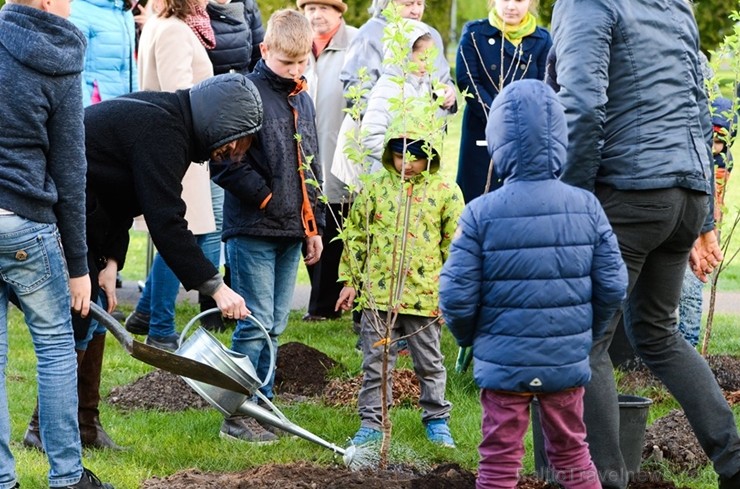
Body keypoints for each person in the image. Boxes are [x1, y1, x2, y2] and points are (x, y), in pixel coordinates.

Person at [551, 1, 740, 487]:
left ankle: (604, 480)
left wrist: (569, 199)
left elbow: (583, 104)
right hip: (682, 195)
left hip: (630, 194)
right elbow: (699, 112)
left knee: (586, 341)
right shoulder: (674, 3)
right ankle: (735, 461)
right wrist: (702, 217)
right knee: (657, 333)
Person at [439, 79, 627, 489]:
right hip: (564, 358)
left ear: (498, 141)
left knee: (499, 459)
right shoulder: (586, 207)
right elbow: (613, 286)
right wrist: (584, 336)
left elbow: (455, 295)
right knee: (573, 452)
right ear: (561, 138)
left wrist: (473, 337)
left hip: (503, 361)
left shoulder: (480, 213)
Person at [0, 0, 114, 487]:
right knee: (55, 349)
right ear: (47, 2)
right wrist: (80, 266)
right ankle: (67, 478)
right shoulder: (62, 52)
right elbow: (71, 170)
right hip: (27, 223)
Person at [209, 9, 325, 444]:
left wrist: (312, 224)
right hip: (254, 229)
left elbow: (310, 165)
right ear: (265, 50)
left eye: (302, 63)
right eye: (286, 63)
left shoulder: (303, 100)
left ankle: (265, 407)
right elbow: (224, 163)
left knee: (275, 323)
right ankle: (235, 415)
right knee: (253, 323)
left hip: (292, 232)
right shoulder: (246, 94)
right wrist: (268, 199)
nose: (295, 71)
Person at [335, 133, 464, 448]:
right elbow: (357, 236)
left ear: (431, 155)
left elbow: (456, 247)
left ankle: (436, 420)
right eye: (399, 155)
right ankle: (372, 422)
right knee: (376, 363)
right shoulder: (376, 188)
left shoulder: (445, 192)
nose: (406, 164)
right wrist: (351, 280)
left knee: (430, 363)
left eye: (416, 157)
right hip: (378, 299)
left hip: (424, 299)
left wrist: (451, 294)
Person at [124, 0, 224, 351]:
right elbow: (180, 95)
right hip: (179, 150)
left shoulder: (164, 24)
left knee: (185, 236)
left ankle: (145, 313)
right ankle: (161, 329)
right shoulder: (174, 31)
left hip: (181, 148)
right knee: (180, 237)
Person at [455, 0, 551, 203]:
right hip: (481, 129)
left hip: (525, 133)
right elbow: (468, 81)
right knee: (477, 198)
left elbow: (544, 86)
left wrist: (521, 124)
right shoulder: (474, 34)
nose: (511, 6)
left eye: (519, 0)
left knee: (520, 202)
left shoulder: (542, 39)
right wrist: (498, 119)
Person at [298, 0, 357, 322]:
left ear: (339, 12)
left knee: (336, 226)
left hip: (340, 155)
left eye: (323, 7)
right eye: (310, 9)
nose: (316, 15)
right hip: (302, 157)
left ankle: (325, 306)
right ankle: (322, 303)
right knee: (308, 227)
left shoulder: (357, 43)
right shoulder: (298, 45)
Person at [678, 96, 737, 348]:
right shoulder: (690, 150)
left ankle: (688, 345)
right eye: (711, 139)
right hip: (686, 223)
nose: (714, 146)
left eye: (719, 142)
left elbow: (713, 202)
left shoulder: (722, 162)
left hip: (704, 231)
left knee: (692, 289)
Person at [361, 19, 456, 169]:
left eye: (430, 58)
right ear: (403, 54)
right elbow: (370, 136)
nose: (428, 64)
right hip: (393, 179)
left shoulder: (424, 85)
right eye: (422, 58)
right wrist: (400, 162)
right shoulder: (388, 89)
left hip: (418, 178)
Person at [338, 0, 455, 115]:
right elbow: (357, 91)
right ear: (386, 3)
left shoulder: (431, 35)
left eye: (420, 4)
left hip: (429, 131)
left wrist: (449, 92)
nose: (416, 11)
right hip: (386, 130)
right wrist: (390, 124)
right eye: (408, 4)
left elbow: (443, 78)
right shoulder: (369, 36)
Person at [68, 0, 139, 105]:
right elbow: (74, 72)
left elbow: (130, 67)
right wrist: (86, 114)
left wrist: (137, 102)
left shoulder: (124, 10)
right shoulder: (78, 10)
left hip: (125, 106)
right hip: (96, 108)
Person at [205, 0, 264, 75]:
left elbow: (259, 56)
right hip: (208, 82)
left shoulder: (247, 4)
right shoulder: (194, 7)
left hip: (244, 82)